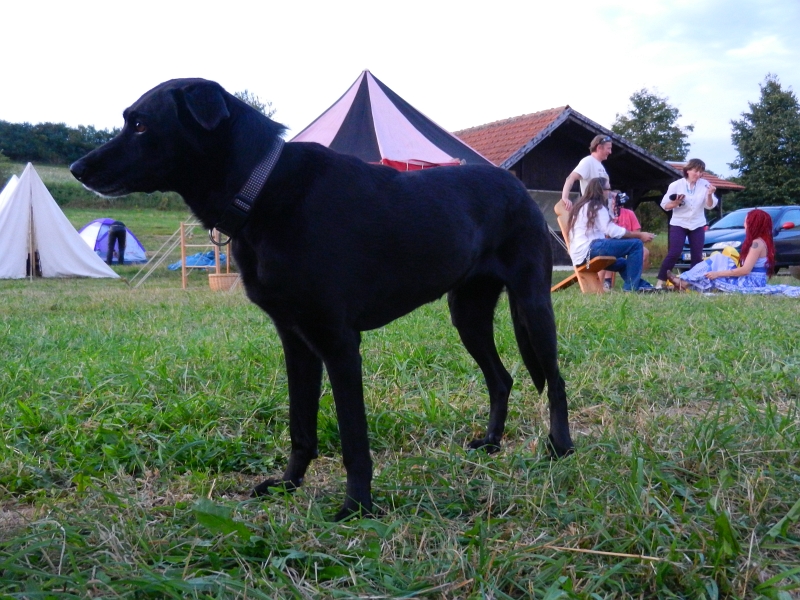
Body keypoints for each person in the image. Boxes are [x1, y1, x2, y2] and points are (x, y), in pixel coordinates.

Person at [668, 209, 800, 297]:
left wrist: (717, 273)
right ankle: (684, 281)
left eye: (746, 221)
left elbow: (745, 270)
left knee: (718, 261)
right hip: (753, 279)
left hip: (750, 282)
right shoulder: (761, 241)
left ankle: (684, 281)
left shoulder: (756, 244)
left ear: (753, 223)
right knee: (720, 259)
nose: (744, 224)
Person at [567, 178, 655, 292]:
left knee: (624, 264)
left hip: (581, 256)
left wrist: (611, 204)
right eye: (608, 189)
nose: (610, 192)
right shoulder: (596, 206)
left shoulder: (584, 205)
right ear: (601, 191)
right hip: (590, 250)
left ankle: (645, 287)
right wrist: (639, 235)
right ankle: (631, 289)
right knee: (636, 244)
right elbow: (611, 230)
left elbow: (608, 225)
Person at [656, 159, 718, 289]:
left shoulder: (705, 184)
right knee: (675, 252)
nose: (698, 174)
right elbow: (665, 205)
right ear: (688, 171)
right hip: (679, 222)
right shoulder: (676, 185)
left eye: (700, 171)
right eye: (695, 171)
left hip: (697, 223)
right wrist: (676, 203)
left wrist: (710, 195)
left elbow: (710, 206)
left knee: (697, 254)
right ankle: (659, 283)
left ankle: (692, 283)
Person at [600, 190, 651, 289]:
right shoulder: (605, 213)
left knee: (644, 252)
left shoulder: (629, 213)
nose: (614, 201)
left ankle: (634, 280)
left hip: (628, 243)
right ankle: (606, 282)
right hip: (611, 243)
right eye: (612, 198)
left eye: (616, 198)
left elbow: (637, 232)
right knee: (608, 253)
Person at [560, 134, 613, 212]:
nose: (610, 152)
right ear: (599, 148)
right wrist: (565, 198)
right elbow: (570, 178)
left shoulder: (600, 165)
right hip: (592, 210)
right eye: (608, 148)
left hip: (602, 209)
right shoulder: (588, 161)